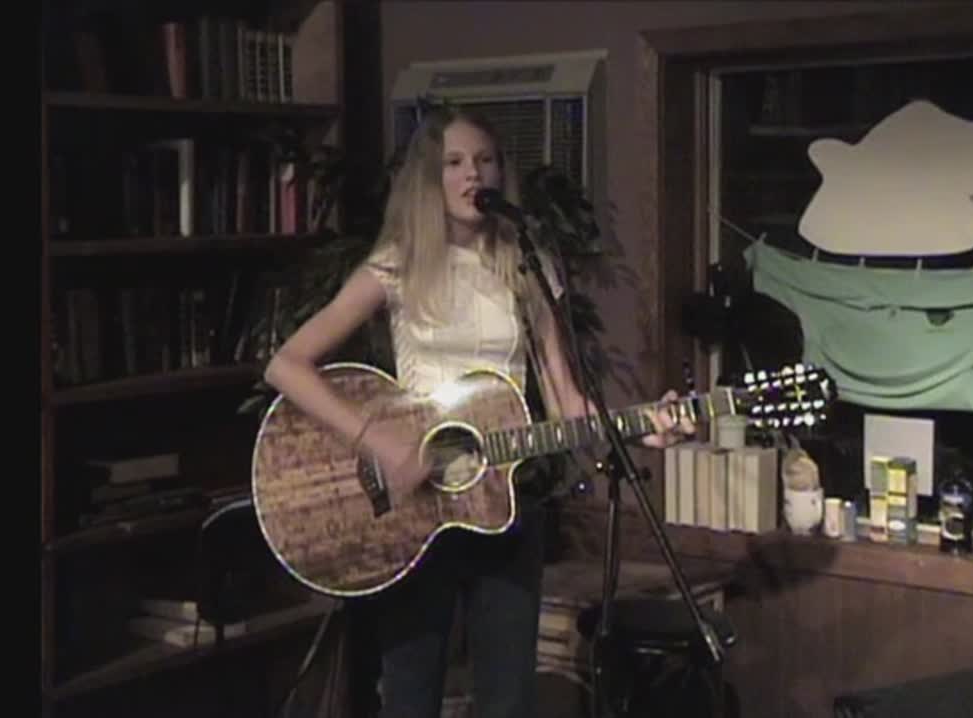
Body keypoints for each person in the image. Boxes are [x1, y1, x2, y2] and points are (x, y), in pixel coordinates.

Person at [263, 106, 694, 718]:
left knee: (508, 698)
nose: (473, 174)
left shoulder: (526, 265)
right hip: (415, 508)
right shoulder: (395, 265)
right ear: (428, 179)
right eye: (455, 163)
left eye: (485, 160)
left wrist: (643, 427)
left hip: (505, 501)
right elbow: (286, 365)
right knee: (411, 693)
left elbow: (568, 403)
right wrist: (381, 442)